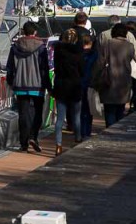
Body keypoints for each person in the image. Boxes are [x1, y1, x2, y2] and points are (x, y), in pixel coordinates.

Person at [6, 21, 51, 153]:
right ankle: (33, 136)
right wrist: (48, 85)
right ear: (35, 32)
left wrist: (11, 82)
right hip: (37, 85)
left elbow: (10, 68)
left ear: (23, 32)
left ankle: (23, 143)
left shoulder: (15, 47)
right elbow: (44, 69)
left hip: (20, 85)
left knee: (23, 115)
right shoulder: (42, 48)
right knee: (37, 112)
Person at [94, 23, 135, 127]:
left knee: (109, 110)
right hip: (124, 80)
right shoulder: (130, 46)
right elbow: (130, 59)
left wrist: (95, 78)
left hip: (109, 80)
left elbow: (100, 63)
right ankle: (117, 131)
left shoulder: (107, 44)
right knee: (120, 109)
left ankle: (109, 130)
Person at [52, 29, 84, 156]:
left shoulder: (58, 51)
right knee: (76, 116)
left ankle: (58, 145)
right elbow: (82, 70)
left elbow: (56, 67)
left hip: (61, 85)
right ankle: (78, 137)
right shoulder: (78, 53)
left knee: (60, 118)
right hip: (75, 85)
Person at [71, 11, 97, 139]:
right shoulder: (90, 38)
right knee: (87, 108)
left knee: (75, 107)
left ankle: (77, 131)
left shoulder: (69, 35)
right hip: (87, 81)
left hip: (73, 77)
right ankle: (85, 131)